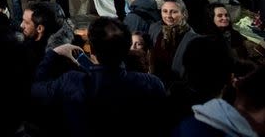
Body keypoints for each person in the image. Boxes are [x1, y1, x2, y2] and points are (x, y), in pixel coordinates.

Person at [32, 17, 166, 137]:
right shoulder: (151, 83)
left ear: (91, 50)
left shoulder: (72, 82)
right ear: (127, 48)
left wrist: (54, 53)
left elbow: (36, 89)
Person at [148, 0, 198, 88]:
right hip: (155, 84)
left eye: (174, 12)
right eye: (165, 11)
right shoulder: (154, 28)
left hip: (178, 88)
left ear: (183, 13)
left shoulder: (192, 38)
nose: (168, 16)